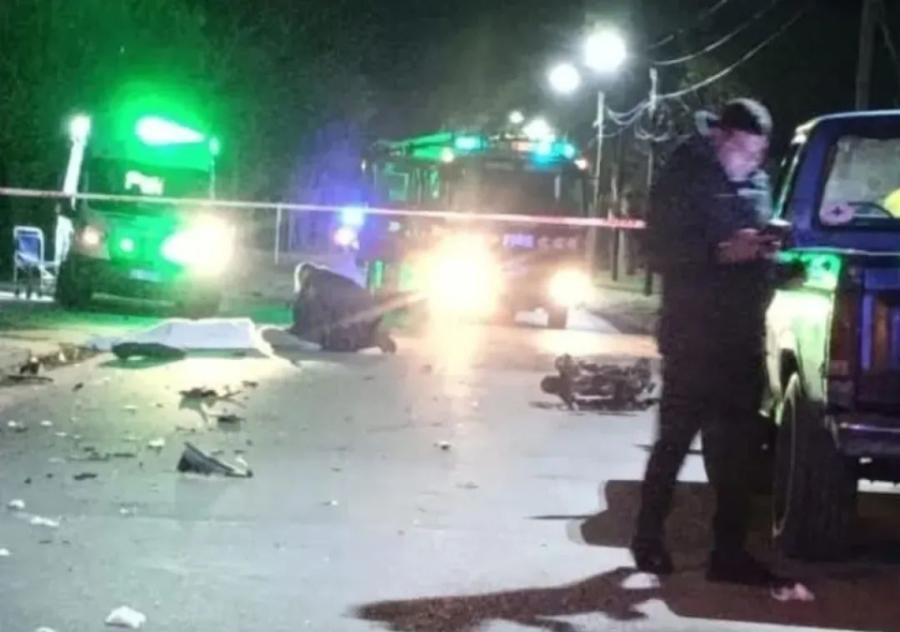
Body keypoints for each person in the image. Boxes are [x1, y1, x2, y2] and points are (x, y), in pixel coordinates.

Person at [632, 99, 786, 586]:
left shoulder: (759, 183)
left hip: (742, 337)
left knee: (738, 454)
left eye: (760, 154)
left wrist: (771, 256)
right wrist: (720, 253)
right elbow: (656, 251)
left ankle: (729, 554)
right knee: (674, 443)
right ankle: (648, 540)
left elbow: (757, 251)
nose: (753, 162)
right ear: (721, 137)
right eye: (745, 150)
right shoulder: (683, 176)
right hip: (693, 335)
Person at [290, 262, 397, 353]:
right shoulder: (327, 278)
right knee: (353, 335)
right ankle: (378, 339)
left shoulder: (316, 281)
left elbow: (318, 309)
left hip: (354, 308)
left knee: (341, 341)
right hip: (365, 305)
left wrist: (299, 329)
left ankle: (377, 339)